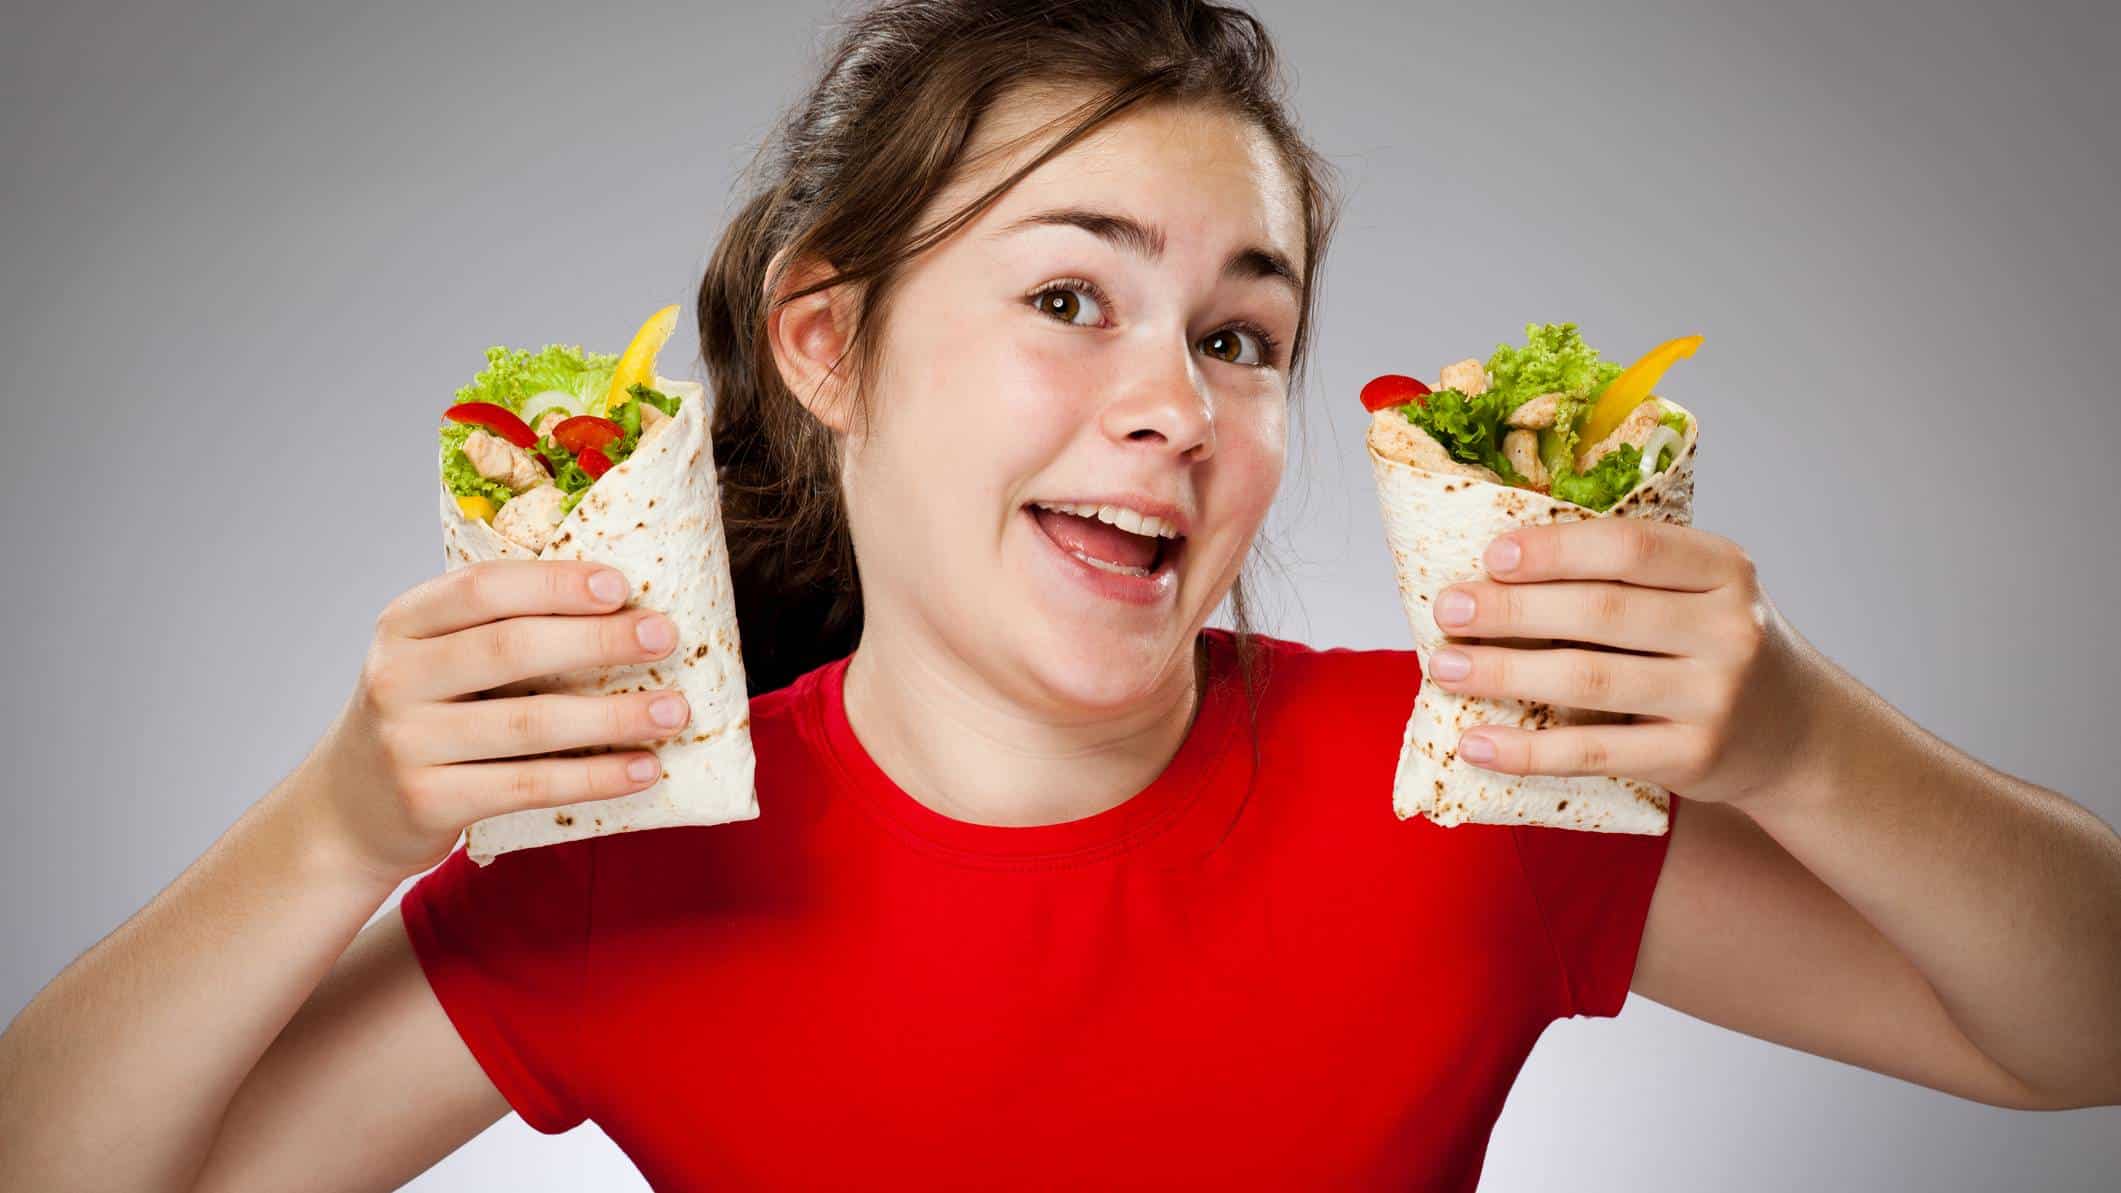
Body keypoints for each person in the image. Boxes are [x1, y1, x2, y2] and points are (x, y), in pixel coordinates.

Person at [3, 1, 2117, 1189]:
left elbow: (2070, 1044)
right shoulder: (620, 874)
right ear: (826, 349)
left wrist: (1804, 745)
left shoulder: (1455, 784)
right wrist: (331, 833)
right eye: (1064, 295)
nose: (1172, 405)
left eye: (1236, 335)